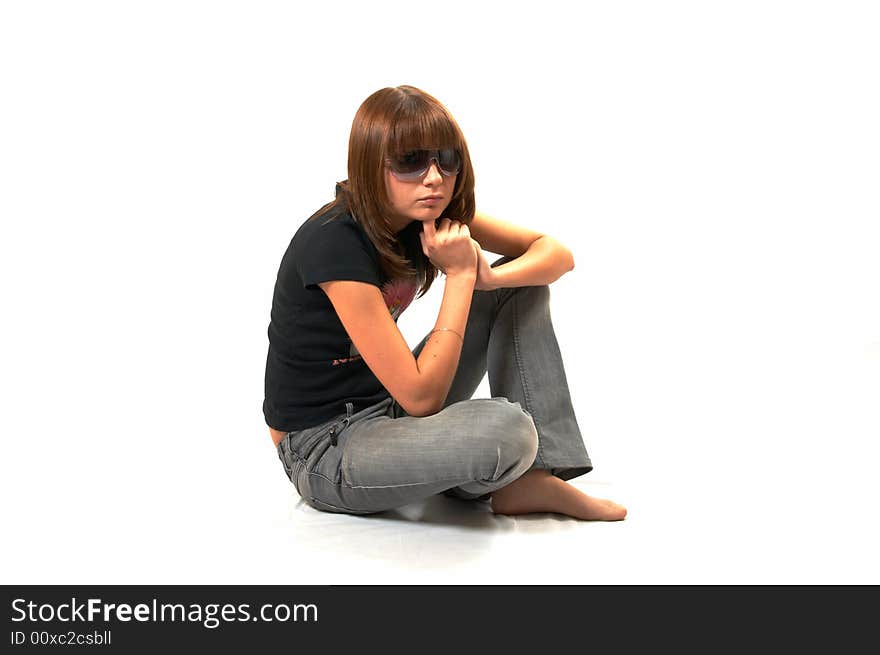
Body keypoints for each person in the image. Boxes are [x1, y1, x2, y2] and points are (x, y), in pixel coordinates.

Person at [264, 85, 626, 521]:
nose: (434, 177)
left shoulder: (427, 214)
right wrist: (461, 275)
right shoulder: (333, 244)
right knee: (507, 431)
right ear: (369, 164)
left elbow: (555, 254)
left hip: (386, 406)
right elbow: (421, 399)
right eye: (410, 161)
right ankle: (487, 467)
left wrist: (490, 277)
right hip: (324, 449)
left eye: (446, 160)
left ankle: (530, 478)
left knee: (520, 281)